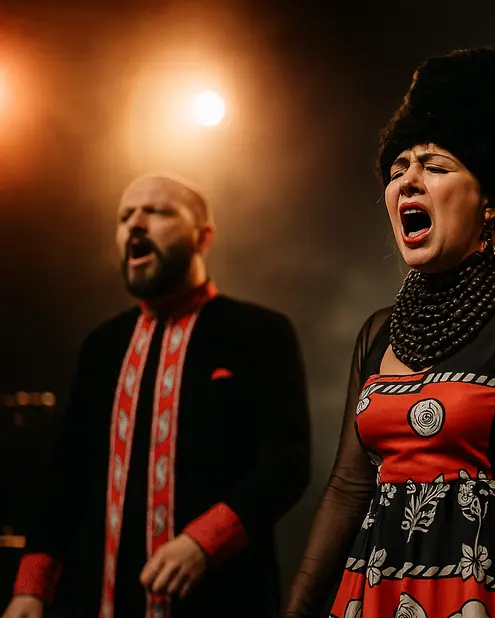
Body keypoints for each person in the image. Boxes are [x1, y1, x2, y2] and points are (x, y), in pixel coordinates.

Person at [281, 48, 495, 618]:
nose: (408, 181)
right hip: (381, 591)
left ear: (490, 202)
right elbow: (347, 488)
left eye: (436, 167)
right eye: (397, 170)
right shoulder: (378, 332)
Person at [3, 174, 312, 618]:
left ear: (203, 237)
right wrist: (30, 589)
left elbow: (287, 463)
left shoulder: (259, 332)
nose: (135, 223)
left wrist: (203, 543)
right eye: (125, 216)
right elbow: (65, 477)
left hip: (223, 602)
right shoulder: (101, 346)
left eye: (158, 211)